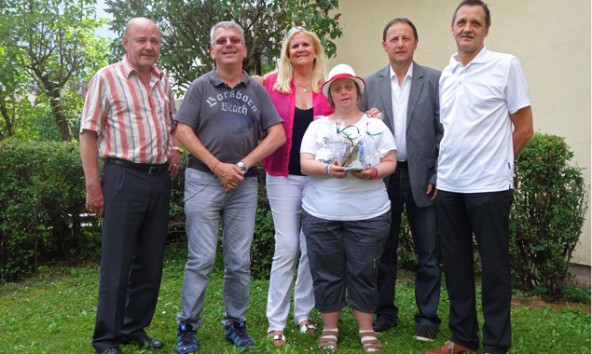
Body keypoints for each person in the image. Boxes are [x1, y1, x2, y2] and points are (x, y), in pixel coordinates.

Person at [426, 1, 533, 353]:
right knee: (456, 268)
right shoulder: (449, 73)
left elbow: (524, 128)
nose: (467, 28)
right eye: (461, 22)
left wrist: (498, 164)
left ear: (486, 30)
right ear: (453, 28)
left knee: (495, 270)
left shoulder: (505, 66)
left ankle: (496, 345)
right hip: (451, 186)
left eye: (475, 22)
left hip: (489, 187)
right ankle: (462, 338)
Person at [173, 21, 286, 353]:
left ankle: (235, 322)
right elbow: (182, 132)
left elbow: (277, 134)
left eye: (235, 40)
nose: (228, 44)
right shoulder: (200, 87)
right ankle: (187, 326)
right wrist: (217, 166)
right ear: (212, 50)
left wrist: (241, 165)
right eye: (221, 41)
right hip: (202, 180)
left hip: (244, 184)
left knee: (238, 260)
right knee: (201, 258)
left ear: (244, 49)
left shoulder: (257, 90)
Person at [80, 17, 182, 354]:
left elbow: (171, 125)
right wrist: (94, 187)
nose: (149, 46)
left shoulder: (162, 81)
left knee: (150, 261)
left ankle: (133, 327)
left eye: (154, 40)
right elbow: (89, 133)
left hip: (158, 180)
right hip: (123, 178)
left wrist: (176, 148)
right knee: (117, 261)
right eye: (141, 40)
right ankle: (105, 338)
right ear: (126, 43)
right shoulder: (106, 78)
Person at [300, 63, 397, 353]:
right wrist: (329, 170)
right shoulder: (318, 126)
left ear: (358, 91)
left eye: (349, 87)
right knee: (326, 272)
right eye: (338, 89)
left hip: (369, 214)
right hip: (322, 213)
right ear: (330, 95)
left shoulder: (375, 125)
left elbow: (390, 161)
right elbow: (306, 163)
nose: (344, 93)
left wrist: (374, 172)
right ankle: (330, 328)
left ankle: (366, 330)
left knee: (364, 272)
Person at [360, 18, 443, 342]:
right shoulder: (368, 84)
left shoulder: (434, 80)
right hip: (385, 177)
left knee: (429, 253)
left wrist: (437, 173)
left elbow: (443, 131)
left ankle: (427, 318)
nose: (399, 43)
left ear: (415, 43)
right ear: (384, 45)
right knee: (384, 250)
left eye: (405, 38)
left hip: (423, 177)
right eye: (393, 38)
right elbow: (359, 135)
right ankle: (385, 313)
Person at [259, 26, 334, 346]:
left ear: (316, 50)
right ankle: (276, 320)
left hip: (318, 178)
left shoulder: (327, 88)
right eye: (294, 46)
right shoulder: (270, 84)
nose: (301, 49)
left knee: (310, 248)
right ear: (287, 53)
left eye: (306, 45)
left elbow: (346, 120)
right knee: (287, 245)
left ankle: (303, 313)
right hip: (282, 176)